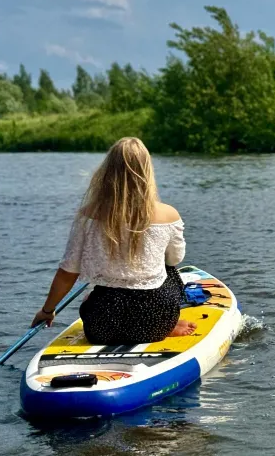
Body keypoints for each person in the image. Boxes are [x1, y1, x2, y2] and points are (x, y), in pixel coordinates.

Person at [30, 137, 196, 344]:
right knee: (169, 270)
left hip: (103, 324)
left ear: (107, 171)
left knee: (99, 294)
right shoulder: (169, 215)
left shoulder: (88, 215)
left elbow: (68, 272)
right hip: (157, 321)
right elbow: (175, 259)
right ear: (147, 171)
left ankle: (138, 323)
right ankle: (169, 324)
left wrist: (47, 310)